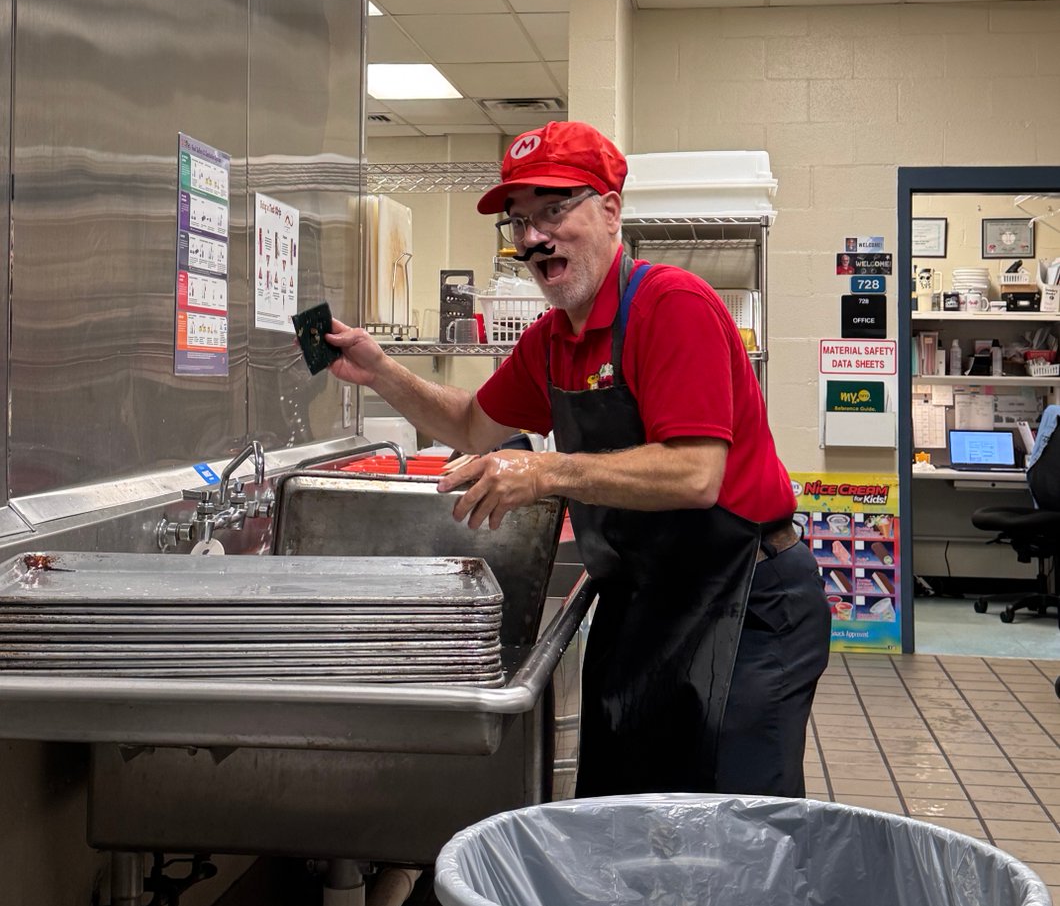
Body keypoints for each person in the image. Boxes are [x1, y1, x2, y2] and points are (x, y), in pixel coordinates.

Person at [326, 120, 831, 799]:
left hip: (748, 599)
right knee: (624, 813)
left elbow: (694, 472)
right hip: (647, 603)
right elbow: (474, 425)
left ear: (611, 210)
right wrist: (382, 370)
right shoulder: (551, 341)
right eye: (520, 221)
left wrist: (544, 471)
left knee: (737, 826)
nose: (533, 238)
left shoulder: (670, 307)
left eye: (555, 209)